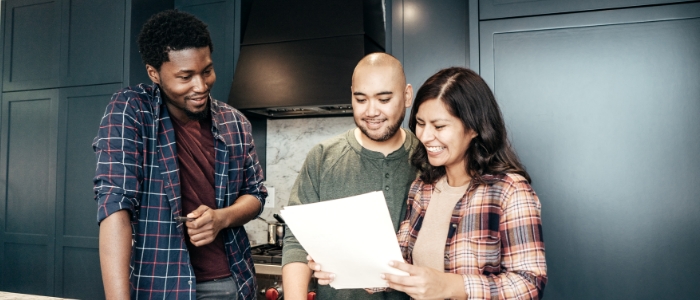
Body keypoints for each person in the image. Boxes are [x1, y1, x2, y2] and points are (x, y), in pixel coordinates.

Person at [313, 67, 548, 299]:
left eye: (439, 126)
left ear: (474, 127)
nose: (424, 137)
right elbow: (400, 266)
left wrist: (449, 286)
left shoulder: (510, 191)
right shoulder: (422, 189)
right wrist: (346, 266)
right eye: (420, 123)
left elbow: (529, 283)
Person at [93, 10, 266, 300]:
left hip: (234, 282)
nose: (200, 86)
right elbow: (114, 206)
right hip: (161, 286)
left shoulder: (235, 122)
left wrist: (222, 218)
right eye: (185, 76)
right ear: (154, 73)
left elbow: (255, 195)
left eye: (207, 71)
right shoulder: (131, 111)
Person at [281, 53, 417, 300]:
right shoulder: (322, 157)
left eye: (384, 99)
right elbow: (296, 242)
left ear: (407, 96)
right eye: (361, 99)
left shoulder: (429, 158)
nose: (371, 111)